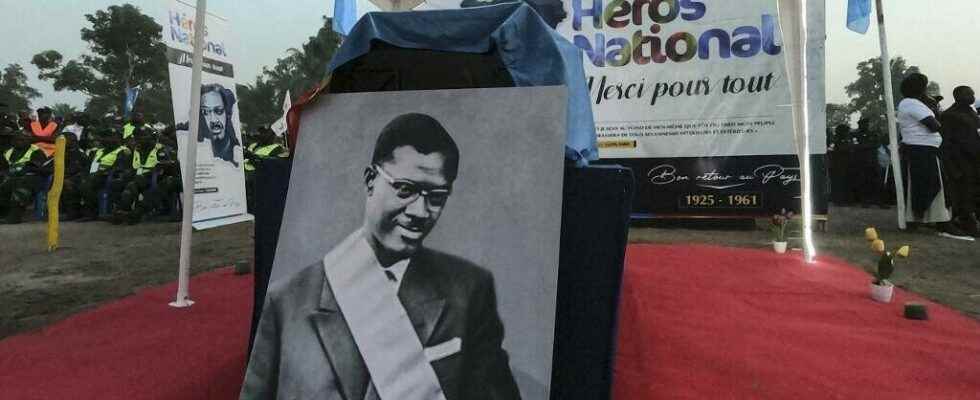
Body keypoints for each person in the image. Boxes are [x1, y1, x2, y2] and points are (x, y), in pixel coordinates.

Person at [241, 113, 521, 400]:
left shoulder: (470, 289)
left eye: (436, 196)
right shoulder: (287, 301)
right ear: (370, 180)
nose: (419, 212)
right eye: (405, 190)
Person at [897, 73, 972, 240]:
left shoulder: (914, 103)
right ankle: (941, 222)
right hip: (921, 149)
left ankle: (929, 219)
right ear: (919, 88)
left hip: (926, 149)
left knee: (929, 185)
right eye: (924, 86)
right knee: (930, 185)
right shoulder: (912, 103)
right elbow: (934, 125)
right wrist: (934, 108)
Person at [939, 86, 980, 235]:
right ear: (959, 95)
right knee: (963, 194)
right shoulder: (949, 115)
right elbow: (946, 143)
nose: (973, 96)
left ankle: (971, 222)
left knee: (975, 192)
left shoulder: (971, 113)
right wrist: (951, 166)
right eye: (970, 93)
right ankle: (967, 224)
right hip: (960, 161)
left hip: (975, 160)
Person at [79, 129, 132, 221]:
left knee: (87, 185)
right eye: (106, 137)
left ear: (118, 138)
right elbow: (89, 166)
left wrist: (100, 172)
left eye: (112, 137)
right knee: (79, 181)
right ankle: (78, 211)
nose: (108, 139)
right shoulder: (98, 151)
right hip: (94, 175)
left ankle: (92, 213)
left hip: (110, 176)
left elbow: (119, 167)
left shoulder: (123, 151)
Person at [0, 132, 50, 223]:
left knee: (21, 186)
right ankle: (3, 213)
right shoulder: (8, 151)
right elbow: (4, 167)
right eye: (17, 140)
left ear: (29, 141)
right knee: (5, 184)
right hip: (12, 177)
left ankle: (15, 216)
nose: (19, 142)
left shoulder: (36, 151)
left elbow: (40, 168)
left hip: (33, 178)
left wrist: (23, 171)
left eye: (23, 140)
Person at [190, 83, 241, 167]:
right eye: (205, 112)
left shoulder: (237, 149)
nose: (213, 120)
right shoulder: (195, 149)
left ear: (228, 112)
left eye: (219, 111)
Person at [849, 118, 883, 207]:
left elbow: (877, 144)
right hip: (861, 162)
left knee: (876, 181)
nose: (865, 125)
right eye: (862, 124)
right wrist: (868, 145)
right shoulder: (855, 135)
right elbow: (855, 146)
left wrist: (865, 146)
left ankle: (878, 201)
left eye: (866, 124)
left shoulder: (873, 134)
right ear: (859, 125)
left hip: (873, 161)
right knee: (863, 182)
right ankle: (865, 201)